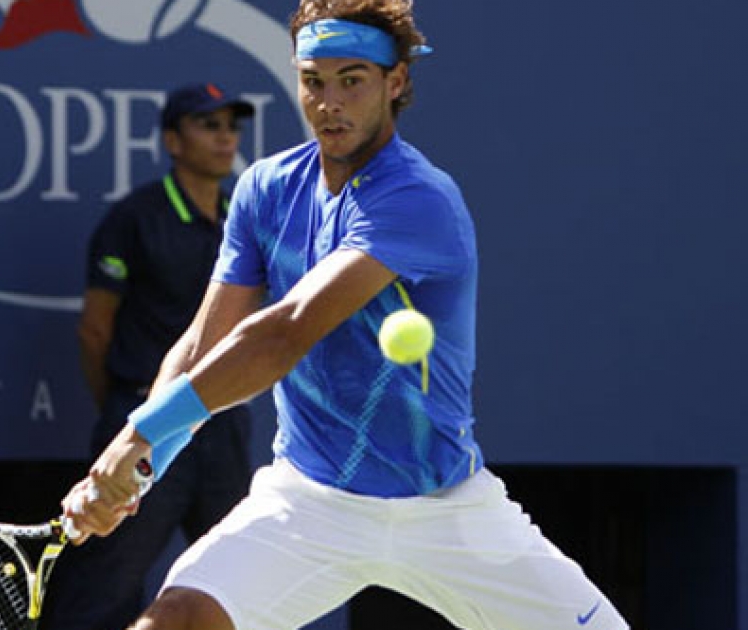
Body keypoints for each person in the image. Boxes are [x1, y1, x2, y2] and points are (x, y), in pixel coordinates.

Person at [63, 1, 630, 629]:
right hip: (307, 502)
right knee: (179, 619)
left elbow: (282, 333)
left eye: (352, 80)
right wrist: (141, 463)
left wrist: (140, 434)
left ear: (396, 83)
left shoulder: (417, 196)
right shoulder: (264, 190)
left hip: (446, 507)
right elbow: (203, 342)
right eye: (314, 81)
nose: (329, 102)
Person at [39, 83, 256, 630]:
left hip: (223, 430)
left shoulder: (244, 220)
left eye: (231, 125)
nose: (225, 136)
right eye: (208, 124)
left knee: (242, 589)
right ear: (172, 141)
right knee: (104, 591)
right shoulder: (134, 219)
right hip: (147, 424)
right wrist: (128, 416)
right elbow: (95, 330)